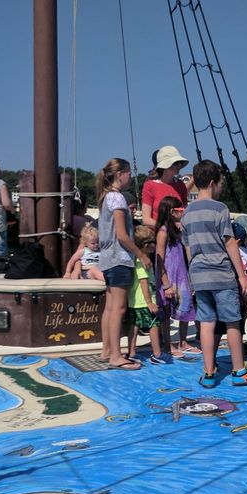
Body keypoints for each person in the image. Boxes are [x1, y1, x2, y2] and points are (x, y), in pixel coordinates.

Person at [181, 159, 247, 388]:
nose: (222, 187)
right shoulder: (220, 209)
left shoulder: (187, 213)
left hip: (198, 274)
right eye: (221, 183)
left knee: (206, 323)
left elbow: (188, 248)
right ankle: (239, 371)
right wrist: (241, 276)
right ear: (212, 182)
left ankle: (208, 372)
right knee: (232, 322)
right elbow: (230, 244)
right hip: (220, 273)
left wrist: (192, 275)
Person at [96, 157, 152, 370]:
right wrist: (141, 254)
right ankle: (116, 356)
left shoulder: (105, 198)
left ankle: (107, 350)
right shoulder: (117, 199)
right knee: (118, 308)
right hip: (119, 258)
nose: (130, 176)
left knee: (110, 307)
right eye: (128, 172)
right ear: (119, 174)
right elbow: (122, 235)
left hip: (107, 258)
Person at [154, 195, 200, 356]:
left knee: (186, 308)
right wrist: (165, 283)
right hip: (168, 277)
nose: (183, 212)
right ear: (172, 212)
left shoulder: (177, 231)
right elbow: (159, 259)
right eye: (180, 210)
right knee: (166, 313)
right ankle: (167, 344)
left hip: (181, 274)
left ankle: (183, 341)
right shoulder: (163, 231)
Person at [126, 225, 169, 365]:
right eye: (153, 243)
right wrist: (150, 302)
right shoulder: (141, 262)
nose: (155, 245)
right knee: (154, 324)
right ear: (145, 245)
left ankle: (131, 352)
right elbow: (143, 282)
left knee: (134, 325)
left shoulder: (139, 261)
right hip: (143, 301)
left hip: (135, 301)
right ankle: (157, 353)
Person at [141, 145, 189, 230]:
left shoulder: (181, 185)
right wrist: (168, 228)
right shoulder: (149, 186)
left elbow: (185, 213)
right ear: (165, 166)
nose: (179, 165)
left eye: (180, 163)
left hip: (178, 236)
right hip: (159, 236)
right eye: (176, 163)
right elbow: (146, 220)